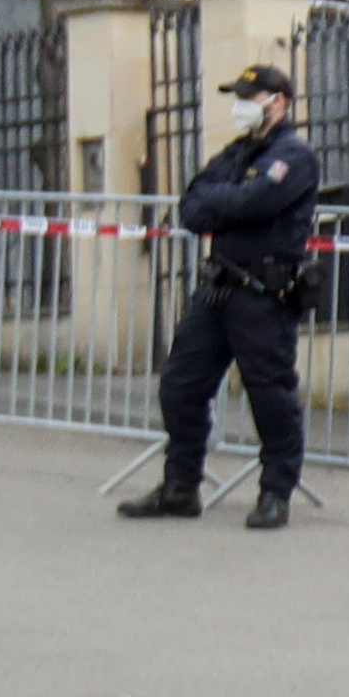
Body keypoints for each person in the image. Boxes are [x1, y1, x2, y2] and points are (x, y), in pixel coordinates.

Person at [123, 61, 320, 530]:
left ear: (278, 102)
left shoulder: (292, 156)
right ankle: (180, 487)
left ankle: (276, 491)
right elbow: (191, 206)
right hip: (217, 288)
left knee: (269, 395)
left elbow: (257, 202)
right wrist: (229, 200)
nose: (241, 107)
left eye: (250, 99)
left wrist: (224, 203)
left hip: (263, 293)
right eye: (240, 98)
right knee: (180, 384)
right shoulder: (236, 154)